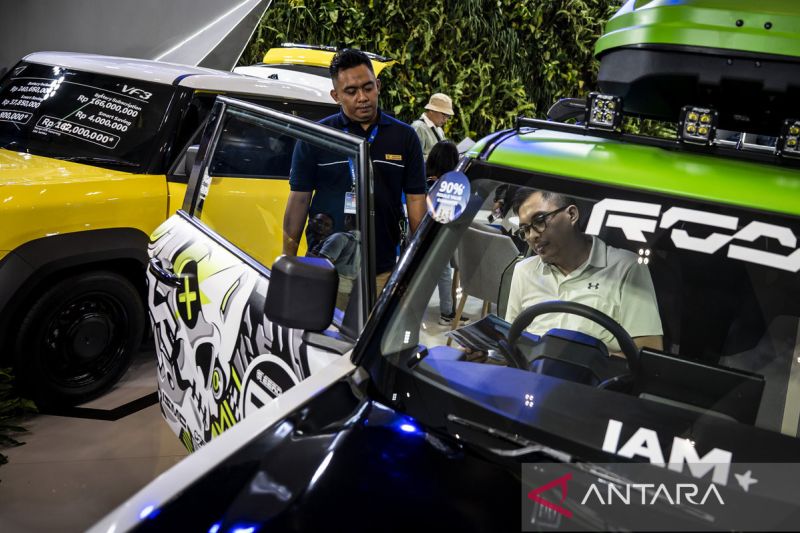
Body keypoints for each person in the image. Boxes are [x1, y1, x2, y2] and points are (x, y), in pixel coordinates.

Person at [283, 49, 427, 295]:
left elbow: (416, 199)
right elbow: (299, 200)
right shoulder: (316, 136)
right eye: (351, 91)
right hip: (326, 268)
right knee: (324, 321)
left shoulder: (404, 137)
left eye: (368, 88)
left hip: (383, 270)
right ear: (336, 96)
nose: (362, 97)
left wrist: (418, 261)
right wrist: (288, 261)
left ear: (378, 86)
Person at [504, 188, 663, 354]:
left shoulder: (626, 268)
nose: (531, 236)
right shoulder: (524, 271)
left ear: (572, 214)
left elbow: (648, 351)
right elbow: (510, 339)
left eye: (539, 221)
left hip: (594, 371)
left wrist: (585, 360)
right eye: (525, 229)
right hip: (529, 369)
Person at [424, 140, 466, 325]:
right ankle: (447, 313)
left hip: (419, 232)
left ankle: (447, 310)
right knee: (444, 273)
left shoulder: (425, 179)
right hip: (438, 235)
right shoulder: (449, 185)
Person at [316, 214, 361, 310]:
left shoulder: (340, 237)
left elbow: (321, 265)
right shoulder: (367, 244)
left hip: (329, 290)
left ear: (348, 219)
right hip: (347, 293)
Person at [412, 93, 454, 159]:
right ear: (431, 110)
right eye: (444, 115)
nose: (445, 120)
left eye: (448, 116)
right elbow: (413, 157)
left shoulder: (439, 129)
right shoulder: (419, 127)